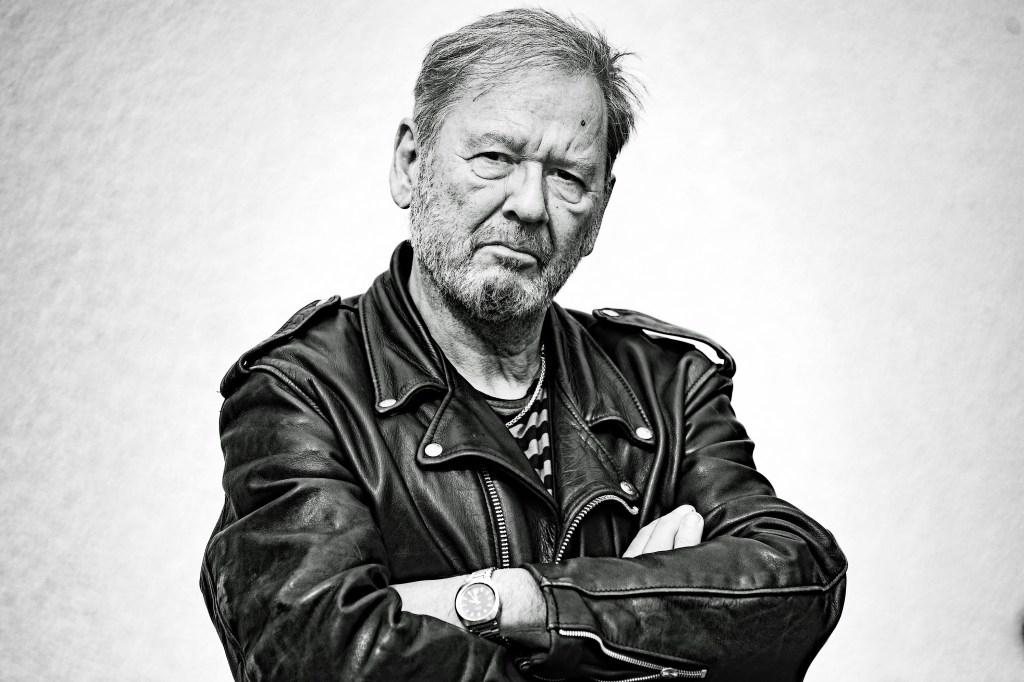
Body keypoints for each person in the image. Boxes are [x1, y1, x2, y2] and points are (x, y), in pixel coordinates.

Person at [200, 9, 847, 682]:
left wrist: (517, 601)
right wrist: (639, 617)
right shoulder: (302, 391)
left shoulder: (668, 387)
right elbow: (321, 655)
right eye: (495, 158)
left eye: (568, 175)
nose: (530, 205)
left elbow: (798, 581)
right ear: (410, 165)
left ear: (600, 209)